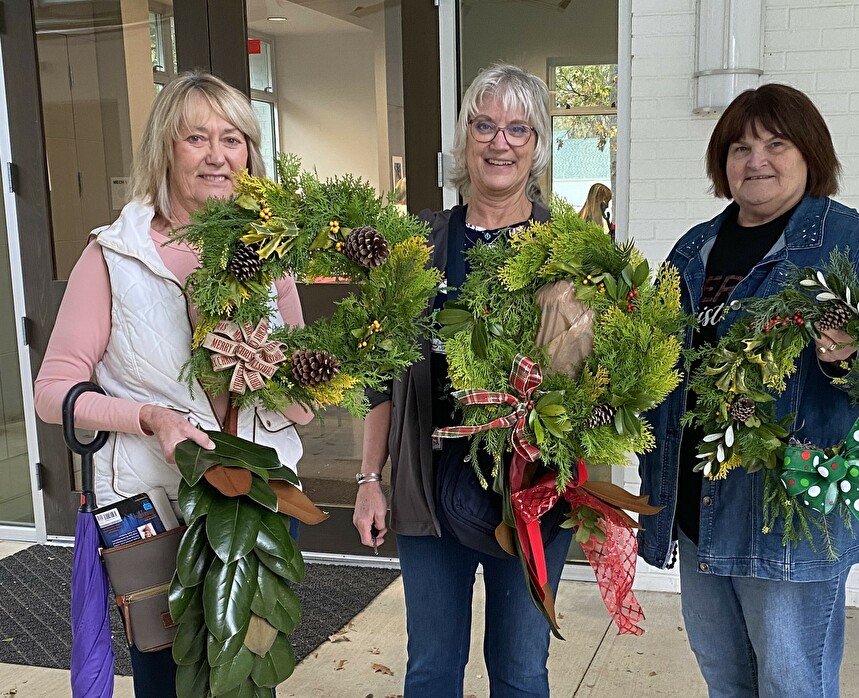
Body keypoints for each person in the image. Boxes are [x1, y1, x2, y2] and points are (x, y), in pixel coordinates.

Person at [637, 83, 859, 698]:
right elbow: (656, 366)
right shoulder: (693, 249)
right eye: (739, 147)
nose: (755, 160)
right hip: (698, 512)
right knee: (727, 682)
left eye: (775, 143)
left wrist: (855, 357)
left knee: (794, 686)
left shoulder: (853, 243)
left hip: (789, 518)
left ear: (809, 152)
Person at [34, 71, 313, 697]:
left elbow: (296, 385)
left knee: (250, 670)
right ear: (166, 149)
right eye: (196, 138)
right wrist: (151, 419)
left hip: (260, 496)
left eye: (233, 139)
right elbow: (53, 392)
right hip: (157, 505)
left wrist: (300, 388)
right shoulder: (113, 255)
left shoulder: (270, 255)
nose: (218, 156)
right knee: (167, 677)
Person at [352, 63, 572, 697]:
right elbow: (382, 375)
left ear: (537, 146)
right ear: (463, 138)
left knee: (522, 673)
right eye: (484, 125)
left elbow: (589, 385)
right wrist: (370, 481)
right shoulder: (421, 244)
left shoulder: (568, 250)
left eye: (518, 129)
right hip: (429, 489)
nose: (499, 141)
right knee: (431, 671)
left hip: (530, 496)